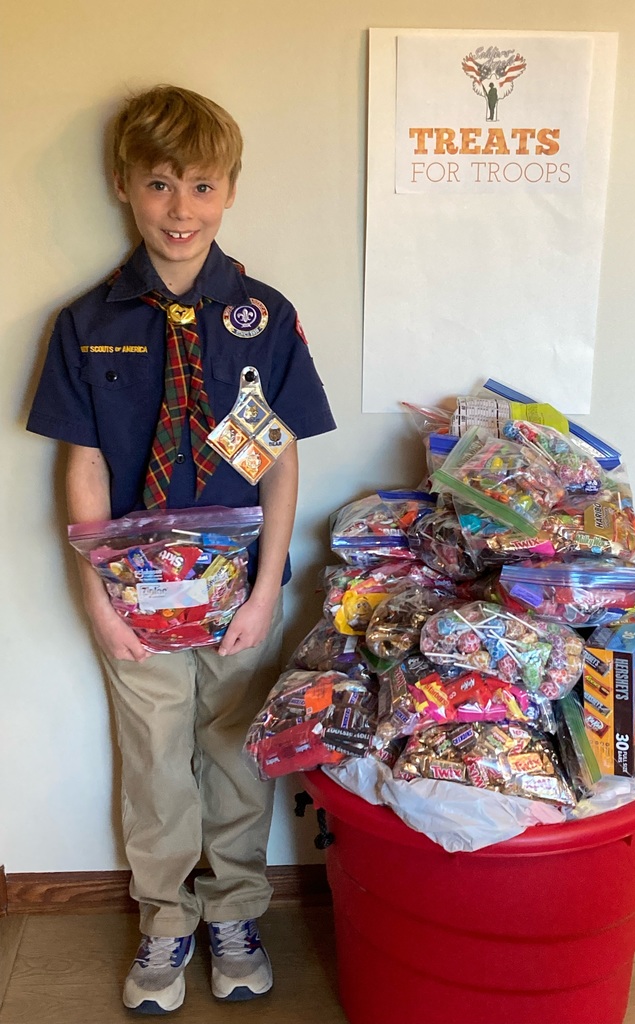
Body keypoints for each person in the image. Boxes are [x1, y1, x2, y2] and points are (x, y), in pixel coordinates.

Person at [26, 84, 336, 1014]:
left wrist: (267, 590)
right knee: (157, 760)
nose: (180, 209)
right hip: (138, 597)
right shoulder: (87, 325)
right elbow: (81, 470)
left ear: (230, 191)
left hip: (237, 591)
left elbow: (277, 463)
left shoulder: (264, 319)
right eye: (159, 185)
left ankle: (236, 911)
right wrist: (97, 599)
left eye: (202, 186)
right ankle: (166, 920)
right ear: (125, 186)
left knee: (235, 753)